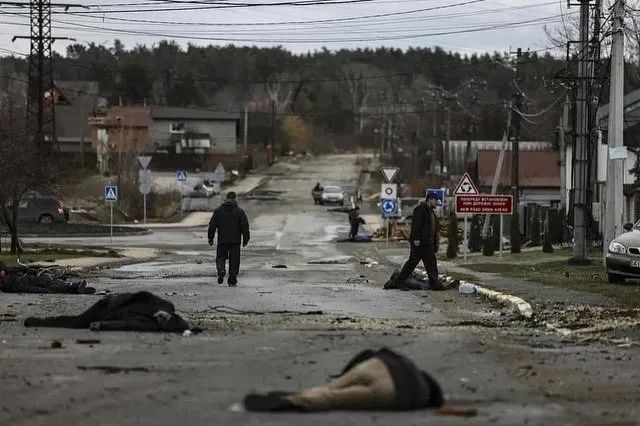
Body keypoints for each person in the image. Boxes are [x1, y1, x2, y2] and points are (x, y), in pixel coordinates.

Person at [243, 347, 444, 412]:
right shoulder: (422, 395)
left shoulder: (408, 363)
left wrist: (344, 374)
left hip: (377, 365)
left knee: (331, 388)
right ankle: (296, 401)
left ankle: (317, 391)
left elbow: (368, 353)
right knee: (333, 399)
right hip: (392, 391)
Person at [392, 192, 442, 290]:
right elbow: (416, 225)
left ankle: (435, 284)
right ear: (430, 199)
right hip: (420, 243)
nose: (437, 202)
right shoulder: (420, 210)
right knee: (412, 264)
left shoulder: (431, 212)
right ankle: (399, 282)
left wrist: (435, 243)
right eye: (436, 200)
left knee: (432, 264)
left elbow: (433, 229)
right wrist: (416, 239)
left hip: (428, 244)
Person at [208, 192, 250, 287]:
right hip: (235, 241)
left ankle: (221, 269)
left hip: (222, 240)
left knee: (220, 257)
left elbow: (212, 226)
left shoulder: (218, 211)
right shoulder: (239, 211)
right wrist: (246, 239)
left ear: (226, 198)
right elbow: (244, 226)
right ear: (235, 199)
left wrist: (210, 238)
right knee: (234, 260)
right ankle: (232, 279)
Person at [0, 269, 95, 294]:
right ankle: (76, 286)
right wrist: (42, 291)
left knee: (58, 287)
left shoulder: (9, 279)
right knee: (56, 286)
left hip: (37, 280)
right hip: (39, 284)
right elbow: (26, 289)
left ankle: (75, 288)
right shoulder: (10, 282)